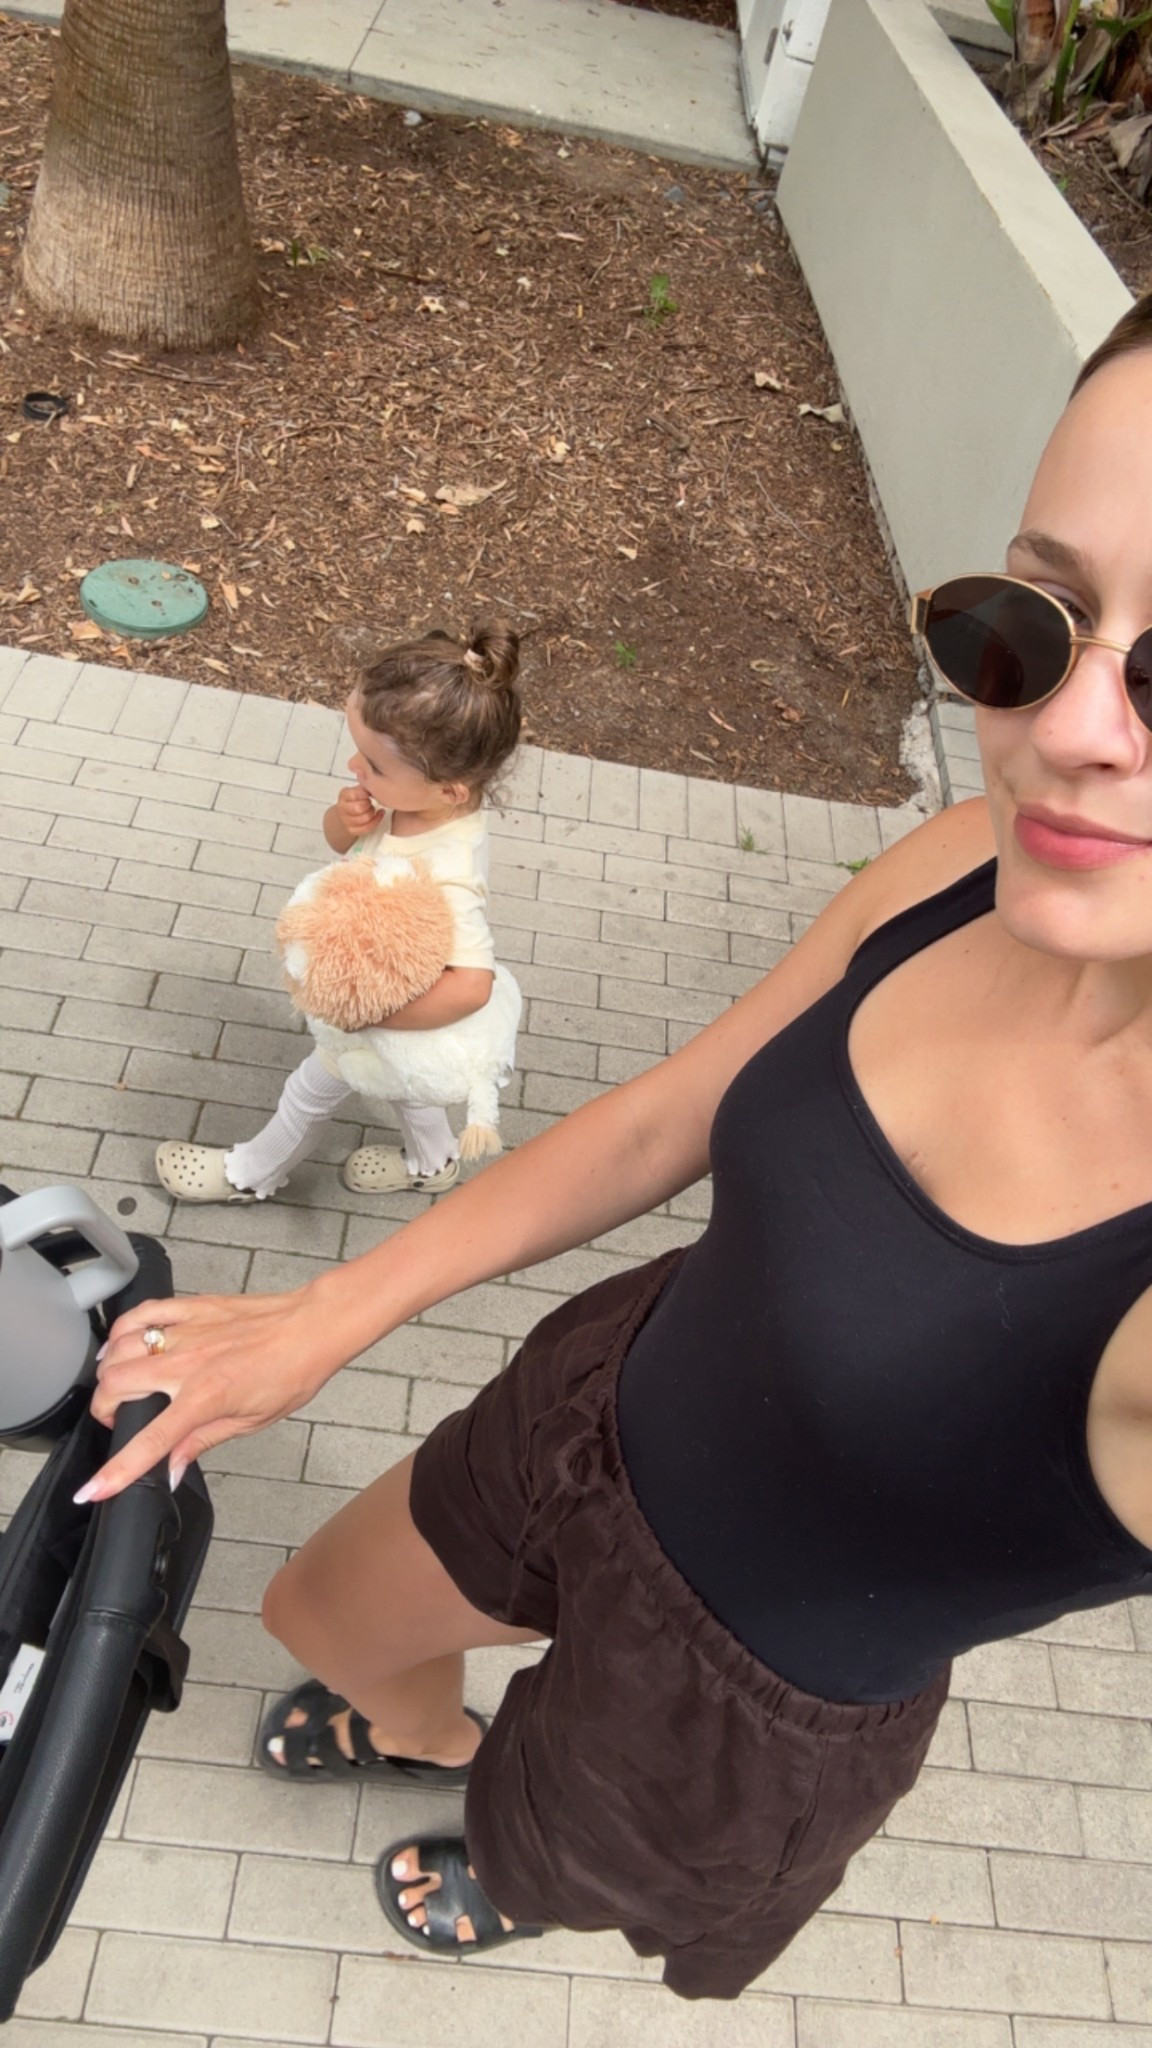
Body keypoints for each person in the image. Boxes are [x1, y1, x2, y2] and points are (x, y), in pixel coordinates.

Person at [84, 295, 1152, 2001]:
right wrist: (325, 1313)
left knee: (548, 1846)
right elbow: (671, 1114)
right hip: (597, 1406)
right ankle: (428, 1738)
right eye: (1041, 619)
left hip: (744, 1683)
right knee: (321, 1617)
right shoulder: (967, 859)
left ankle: (499, 1862)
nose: (1072, 727)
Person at [154, 623, 521, 1204]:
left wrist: (369, 1017)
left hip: (391, 1009)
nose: (355, 766)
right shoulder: (411, 802)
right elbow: (341, 846)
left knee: (309, 1090)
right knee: (408, 1091)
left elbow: (474, 984)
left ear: (450, 790)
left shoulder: (449, 869)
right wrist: (343, 821)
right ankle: (432, 1163)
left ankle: (248, 1175)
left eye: (373, 764)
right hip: (393, 1006)